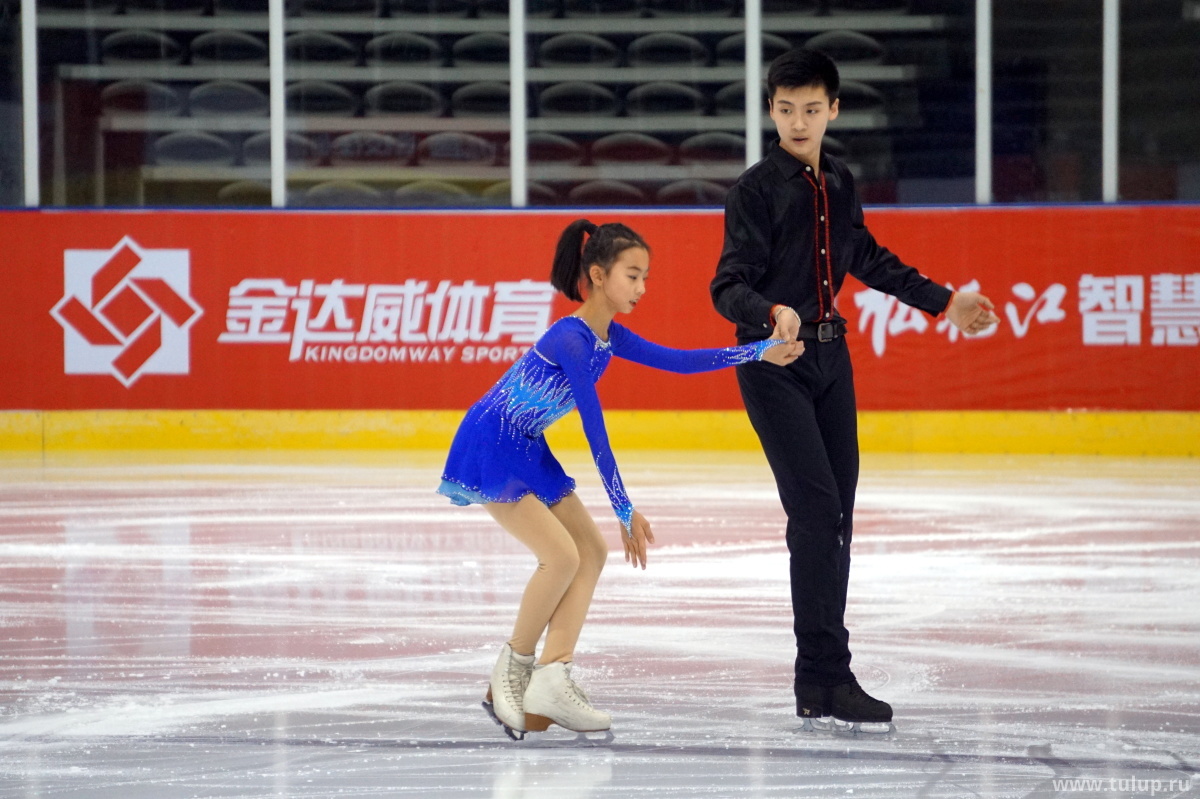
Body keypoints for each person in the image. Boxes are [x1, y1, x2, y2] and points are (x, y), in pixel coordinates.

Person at [710, 47, 1000, 732]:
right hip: (773, 364)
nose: (798, 122)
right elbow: (726, 285)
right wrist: (769, 312)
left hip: (831, 361)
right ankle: (823, 674)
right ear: (771, 109)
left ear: (833, 110)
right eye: (786, 109)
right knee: (814, 512)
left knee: (836, 516)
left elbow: (866, 257)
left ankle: (822, 681)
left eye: (811, 109)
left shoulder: (839, 182)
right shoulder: (753, 191)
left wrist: (945, 301)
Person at [438, 219, 804, 739]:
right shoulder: (570, 338)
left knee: (590, 551)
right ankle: (509, 673)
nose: (642, 288)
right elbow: (595, 430)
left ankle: (552, 677)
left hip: (526, 444)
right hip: (491, 442)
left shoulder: (607, 337)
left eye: (645, 277)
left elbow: (679, 363)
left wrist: (758, 351)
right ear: (598, 275)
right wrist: (624, 508)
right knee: (561, 557)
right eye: (632, 276)